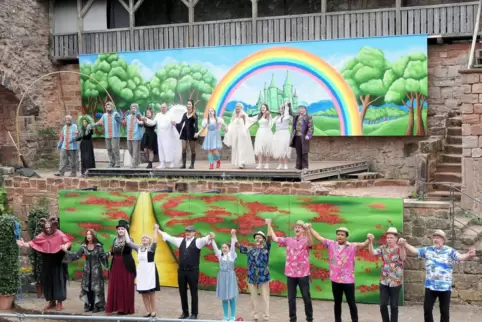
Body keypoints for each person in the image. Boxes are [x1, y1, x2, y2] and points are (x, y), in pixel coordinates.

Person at [399, 230, 476, 322]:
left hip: (445, 287)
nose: (436, 239)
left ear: (443, 240)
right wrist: (405, 244)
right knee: (427, 309)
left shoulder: (449, 250)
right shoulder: (428, 250)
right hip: (430, 286)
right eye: (434, 237)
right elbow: (415, 251)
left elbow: (460, 257)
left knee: (444, 312)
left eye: (438, 238)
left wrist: (468, 255)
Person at [309, 226, 373, 322]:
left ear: (346, 237)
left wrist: (369, 238)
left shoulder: (352, 246)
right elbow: (318, 237)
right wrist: (310, 228)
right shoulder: (331, 244)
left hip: (348, 280)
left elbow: (364, 244)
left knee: (351, 303)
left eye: (342, 235)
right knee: (337, 303)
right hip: (335, 279)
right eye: (338, 234)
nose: (340, 236)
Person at [157, 225, 214, 319]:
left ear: (194, 233)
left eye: (190, 231)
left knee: (193, 292)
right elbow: (169, 237)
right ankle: (185, 312)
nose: (187, 233)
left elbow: (206, 238)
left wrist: (210, 235)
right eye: (186, 231)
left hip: (193, 271)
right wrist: (158, 230)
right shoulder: (180, 241)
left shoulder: (198, 242)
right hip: (182, 271)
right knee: (182, 292)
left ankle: (194, 313)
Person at [16, 216, 71, 311]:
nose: (48, 229)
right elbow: (33, 242)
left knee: (59, 281)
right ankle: (51, 301)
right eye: (46, 228)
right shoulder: (42, 235)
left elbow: (68, 242)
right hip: (47, 262)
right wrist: (24, 244)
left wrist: (65, 246)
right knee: (48, 282)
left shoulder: (59, 234)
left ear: (54, 226)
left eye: (50, 228)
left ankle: (59, 302)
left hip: (58, 262)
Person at [268, 219, 313, 322]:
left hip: (303, 274)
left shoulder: (306, 239)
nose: (297, 228)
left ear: (303, 230)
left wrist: (308, 230)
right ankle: (292, 319)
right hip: (291, 274)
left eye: (299, 227)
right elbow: (275, 239)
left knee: (306, 297)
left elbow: (310, 244)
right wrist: (269, 225)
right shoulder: (289, 240)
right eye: (296, 227)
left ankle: (309, 318)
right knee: (291, 298)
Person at [62, 229, 108, 313]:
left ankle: (97, 306)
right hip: (87, 270)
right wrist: (66, 251)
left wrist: (108, 254)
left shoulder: (98, 246)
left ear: (93, 236)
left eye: (90, 234)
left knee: (96, 288)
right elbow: (76, 255)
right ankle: (89, 305)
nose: (88, 236)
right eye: (87, 234)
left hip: (96, 270)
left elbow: (102, 256)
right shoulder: (83, 246)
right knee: (87, 287)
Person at [235, 220, 271, 322]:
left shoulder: (266, 248)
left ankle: (266, 317)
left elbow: (269, 238)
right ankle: (255, 316)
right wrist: (233, 235)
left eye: (259, 237)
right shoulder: (250, 249)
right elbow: (239, 246)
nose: (257, 238)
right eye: (256, 237)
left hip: (263, 277)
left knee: (265, 298)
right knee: (253, 298)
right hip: (252, 277)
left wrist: (268, 225)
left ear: (263, 240)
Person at [368, 227, 406, 322]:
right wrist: (370, 241)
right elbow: (372, 252)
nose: (389, 239)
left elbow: (403, 257)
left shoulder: (399, 248)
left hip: (395, 282)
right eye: (388, 237)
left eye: (391, 237)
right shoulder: (383, 248)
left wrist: (402, 246)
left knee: (394, 306)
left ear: (396, 238)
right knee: (383, 305)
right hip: (384, 281)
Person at [105, 220, 136, 315]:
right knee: (116, 285)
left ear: (126, 229)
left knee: (125, 285)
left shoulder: (129, 239)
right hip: (116, 265)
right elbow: (114, 251)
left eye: (122, 229)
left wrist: (126, 232)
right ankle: (117, 307)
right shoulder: (115, 239)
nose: (120, 230)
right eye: (119, 229)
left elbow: (128, 243)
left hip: (126, 264)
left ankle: (125, 308)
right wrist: (108, 253)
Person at [129, 224, 160, 317]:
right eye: (142, 238)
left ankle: (154, 310)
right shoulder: (139, 248)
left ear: (149, 240)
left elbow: (155, 240)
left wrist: (155, 229)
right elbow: (129, 243)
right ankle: (148, 310)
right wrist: (125, 231)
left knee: (151, 292)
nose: (144, 239)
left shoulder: (151, 248)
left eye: (146, 238)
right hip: (141, 272)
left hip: (150, 271)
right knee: (143, 292)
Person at [211, 229, 239, 321]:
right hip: (222, 276)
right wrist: (212, 239)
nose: (224, 249)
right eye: (222, 247)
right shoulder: (220, 255)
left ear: (228, 248)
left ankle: (232, 316)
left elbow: (233, 247)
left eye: (225, 247)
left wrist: (233, 235)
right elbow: (215, 248)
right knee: (224, 297)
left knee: (231, 297)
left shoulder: (232, 255)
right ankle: (226, 316)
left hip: (230, 276)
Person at [223, 103, 256, 169]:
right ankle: (239, 162)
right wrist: (227, 128)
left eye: (239, 107)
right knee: (237, 147)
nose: (237, 108)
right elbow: (231, 124)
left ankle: (242, 162)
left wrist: (243, 118)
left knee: (242, 147)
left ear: (241, 108)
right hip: (236, 134)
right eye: (236, 106)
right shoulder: (234, 115)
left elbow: (246, 124)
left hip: (242, 134)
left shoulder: (244, 114)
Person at [89, 101, 122, 168]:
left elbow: (121, 121)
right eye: (107, 107)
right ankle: (111, 162)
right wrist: (91, 125)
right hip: (107, 136)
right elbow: (99, 122)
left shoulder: (116, 114)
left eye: (109, 107)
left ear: (112, 107)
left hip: (115, 136)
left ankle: (117, 163)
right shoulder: (104, 115)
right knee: (109, 149)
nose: (108, 108)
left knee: (115, 149)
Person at [145, 103, 178, 169]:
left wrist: (174, 124)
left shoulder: (170, 114)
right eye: (161, 107)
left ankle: (171, 162)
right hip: (160, 136)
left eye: (164, 107)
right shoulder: (158, 115)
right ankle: (162, 163)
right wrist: (146, 120)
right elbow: (153, 123)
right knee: (161, 149)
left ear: (166, 108)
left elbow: (174, 122)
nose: (162, 108)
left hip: (168, 136)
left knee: (169, 149)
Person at [289, 105, 313, 171]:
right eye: (300, 108)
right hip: (297, 136)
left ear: (305, 109)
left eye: (302, 108)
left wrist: (308, 135)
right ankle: (298, 166)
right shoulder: (297, 116)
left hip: (304, 137)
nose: (301, 110)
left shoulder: (308, 116)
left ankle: (305, 167)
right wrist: (289, 105)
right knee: (298, 152)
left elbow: (311, 127)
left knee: (304, 152)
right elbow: (291, 113)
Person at [177, 99, 198, 169]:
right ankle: (184, 164)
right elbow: (181, 123)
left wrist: (196, 133)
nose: (188, 105)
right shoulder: (184, 114)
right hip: (184, 132)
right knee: (183, 148)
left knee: (193, 150)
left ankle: (192, 164)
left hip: (192, 133)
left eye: (190, 104)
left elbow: (196, 124)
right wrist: (175, 124)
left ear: (192, 105)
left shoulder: (195, 114)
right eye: (188, 104)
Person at [252, 104, 274, 169]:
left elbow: (270, 124)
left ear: (266, 108)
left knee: (267, 149)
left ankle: (267, 164)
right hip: (260, 132)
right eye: (261, 107)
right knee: (259, 148)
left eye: (264, 107)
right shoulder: (259, 115)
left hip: (266, 132)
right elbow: (252, 119)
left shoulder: (268, 115)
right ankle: (260, 164)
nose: (262, 108)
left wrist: (267, 115)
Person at [122, 103, 144, 168]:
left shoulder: (139, 116)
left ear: (137, 109)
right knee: (130, 149)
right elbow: (125, 123)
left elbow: (142, 124)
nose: (133, 109)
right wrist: (124, 122)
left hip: (136, 136)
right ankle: (137, 161)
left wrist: (140, 119)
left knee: (135, 151)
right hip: (129, 136)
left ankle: (134, 164)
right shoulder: (128, 117)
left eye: (134, 108)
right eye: (132, 108)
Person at [272, 102, 292, 170]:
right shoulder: (277, 117)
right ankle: (280, 164)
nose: (281, 110)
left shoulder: (287, 116)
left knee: (284, 149)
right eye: (280, 109)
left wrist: (286, 106)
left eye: (282, 108)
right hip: (278, 133)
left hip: (284, 133)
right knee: (278, 148)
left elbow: (286, 114)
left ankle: (286, 164)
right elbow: (270, 122)